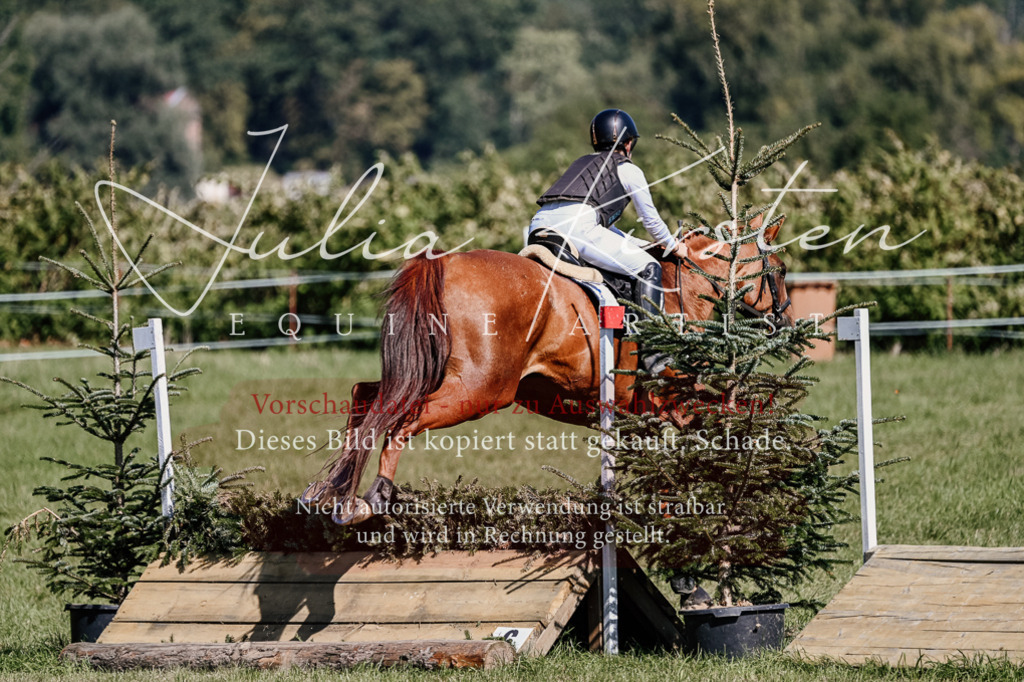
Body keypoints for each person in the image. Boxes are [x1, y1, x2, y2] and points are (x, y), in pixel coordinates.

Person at [528, 108, 681, 372]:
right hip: (577, 229)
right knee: (649, 268)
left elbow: (597, 226)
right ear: (629, 143)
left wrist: (641, 245)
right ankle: (654, 351)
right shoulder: (628, 169)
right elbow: (652, 222)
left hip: (539, 226)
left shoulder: (581, 163)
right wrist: (674, 245)